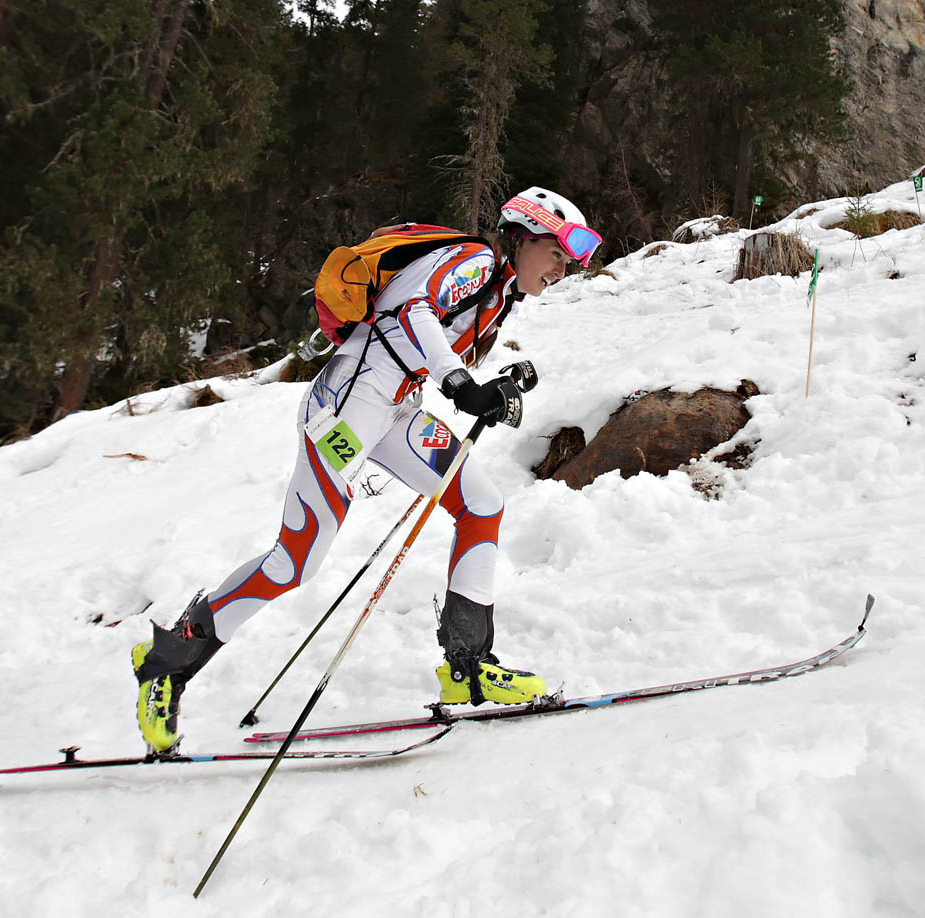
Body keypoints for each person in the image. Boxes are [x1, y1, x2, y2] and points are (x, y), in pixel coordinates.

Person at [132, 186, 603, 753]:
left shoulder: (495, 293)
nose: (565, 269)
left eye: (571, 263)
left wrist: (492, 385)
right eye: (558, 255)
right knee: (296, 559)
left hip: (396, 412)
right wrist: (459, 383)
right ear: (524, 236)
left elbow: (432, 344)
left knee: (481, 503)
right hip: (346, 412)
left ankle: (468, 664)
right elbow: (414, 312)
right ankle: (168, 659)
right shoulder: (477, 259)